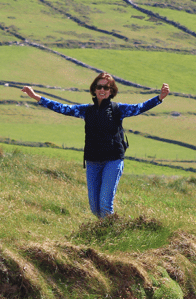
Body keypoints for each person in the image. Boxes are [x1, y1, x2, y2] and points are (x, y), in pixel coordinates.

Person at [21, 73, 169, 218]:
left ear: (111, 91)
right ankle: (104, 232)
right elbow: (62, 107)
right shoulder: (86, 110)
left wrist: (159, 98)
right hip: (92, 161)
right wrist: (36, 97)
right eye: (99, 87)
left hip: (113, 160)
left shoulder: (118, 109)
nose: (102, 90)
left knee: (105, 205)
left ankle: (110, 237)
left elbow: (140, 107)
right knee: (95, 208)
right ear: (94, 89)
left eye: (106, 87)